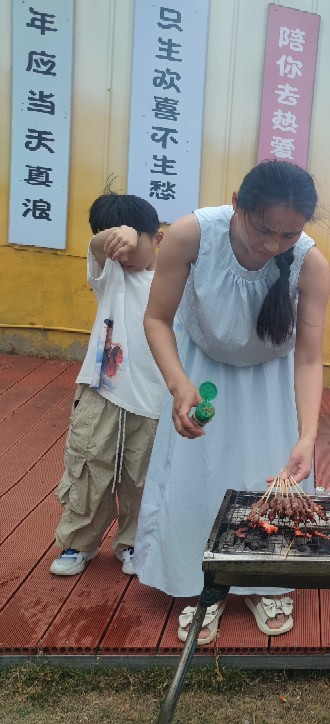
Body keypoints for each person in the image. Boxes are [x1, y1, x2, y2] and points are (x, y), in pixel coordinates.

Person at [133, 160, 330, 646]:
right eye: (263, 229)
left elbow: (308, 358)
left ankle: (265, 583)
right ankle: (205, 584)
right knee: (197, 481)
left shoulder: (310, 264)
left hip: (270, 384)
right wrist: (179, 385)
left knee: (270, 483)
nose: (273, 245)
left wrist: (307, 435)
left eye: (289, 235)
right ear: (238, 203)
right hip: (202, 376)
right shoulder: (191, 235)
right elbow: (157, 318)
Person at [50, 192, 165, 577]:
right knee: (89, 470)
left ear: (159, 239)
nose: (122, 253)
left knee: (141, 477)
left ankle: (132, 542)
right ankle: (78, 543)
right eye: (113, 243)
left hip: (153, 398)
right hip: (101, 392)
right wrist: (121, 235)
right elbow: (98, 248)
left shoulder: (171, 283)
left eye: (132, 243)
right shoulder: (110, 275)